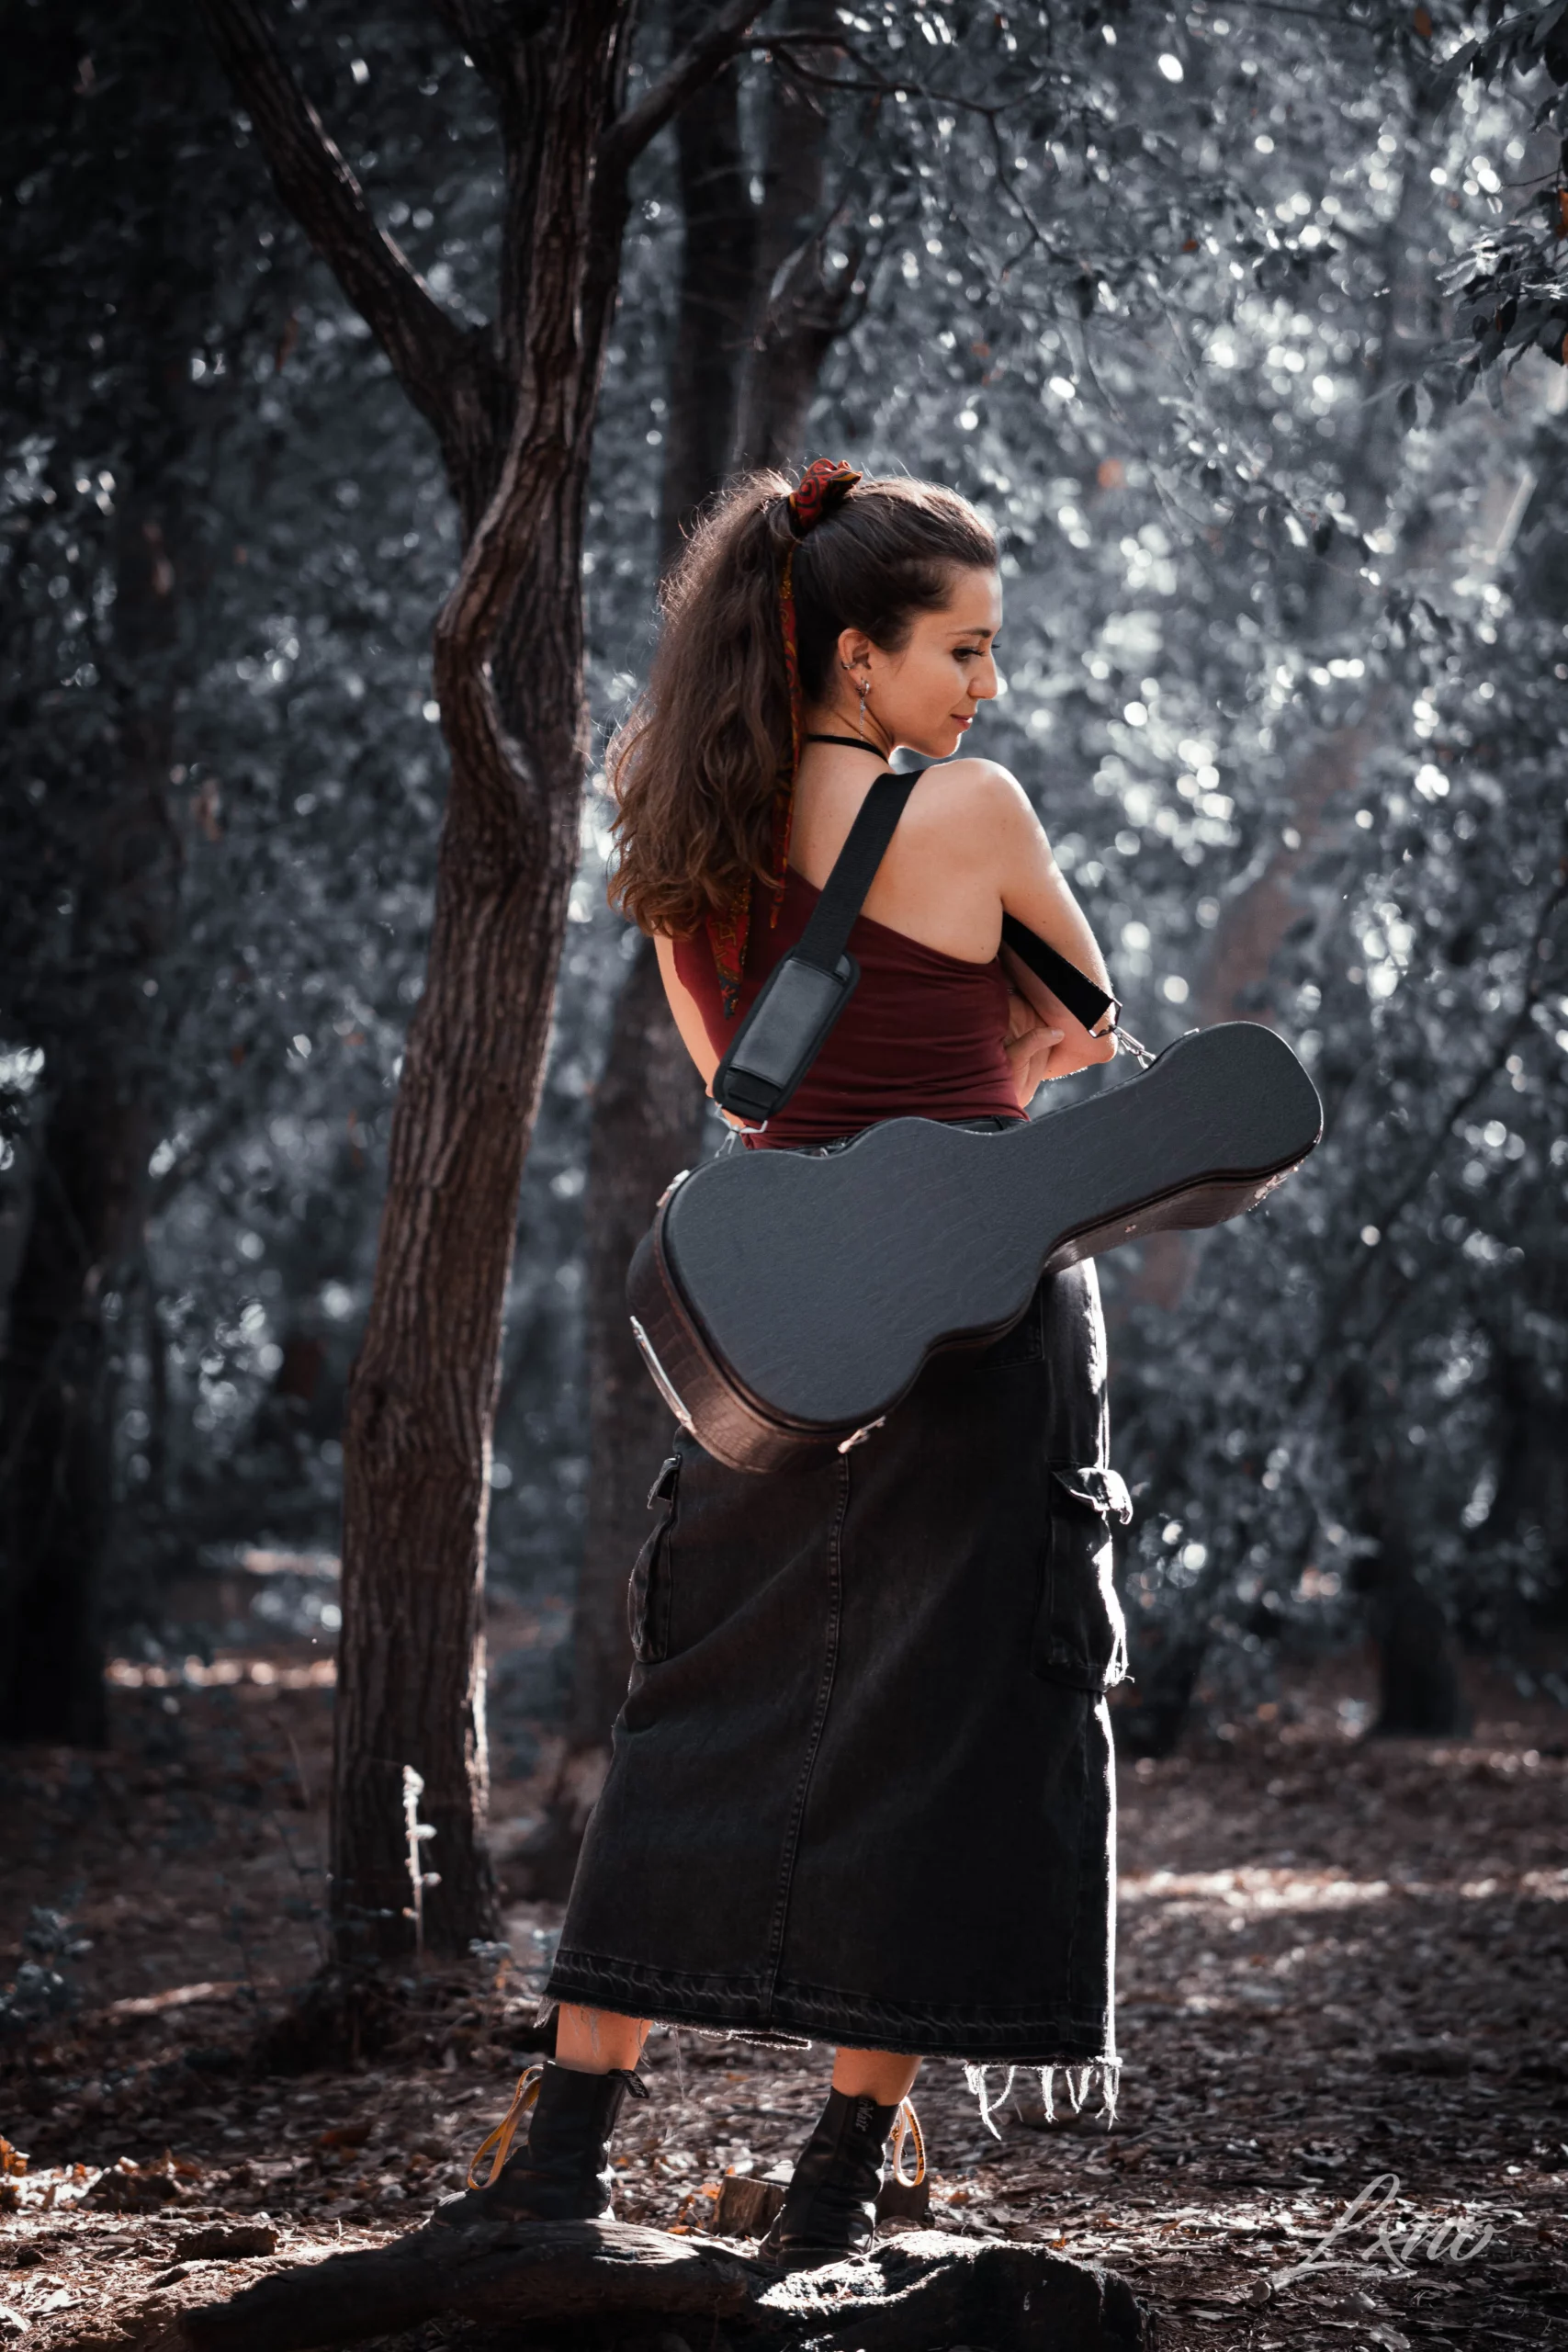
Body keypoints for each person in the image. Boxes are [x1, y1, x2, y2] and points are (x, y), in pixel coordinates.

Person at [437, 463, 1133, 2261]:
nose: (986, 685)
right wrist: (986, 1061)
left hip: (777, 1325)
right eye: (961, 647)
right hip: (980, 1317)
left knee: (693, 1711)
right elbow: (1085, 1028)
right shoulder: (970, 808)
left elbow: (744, 1094)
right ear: (853, 653)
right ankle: (834, 2184)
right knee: (938, 1729)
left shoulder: (690, 844)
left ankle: (561, 2156)